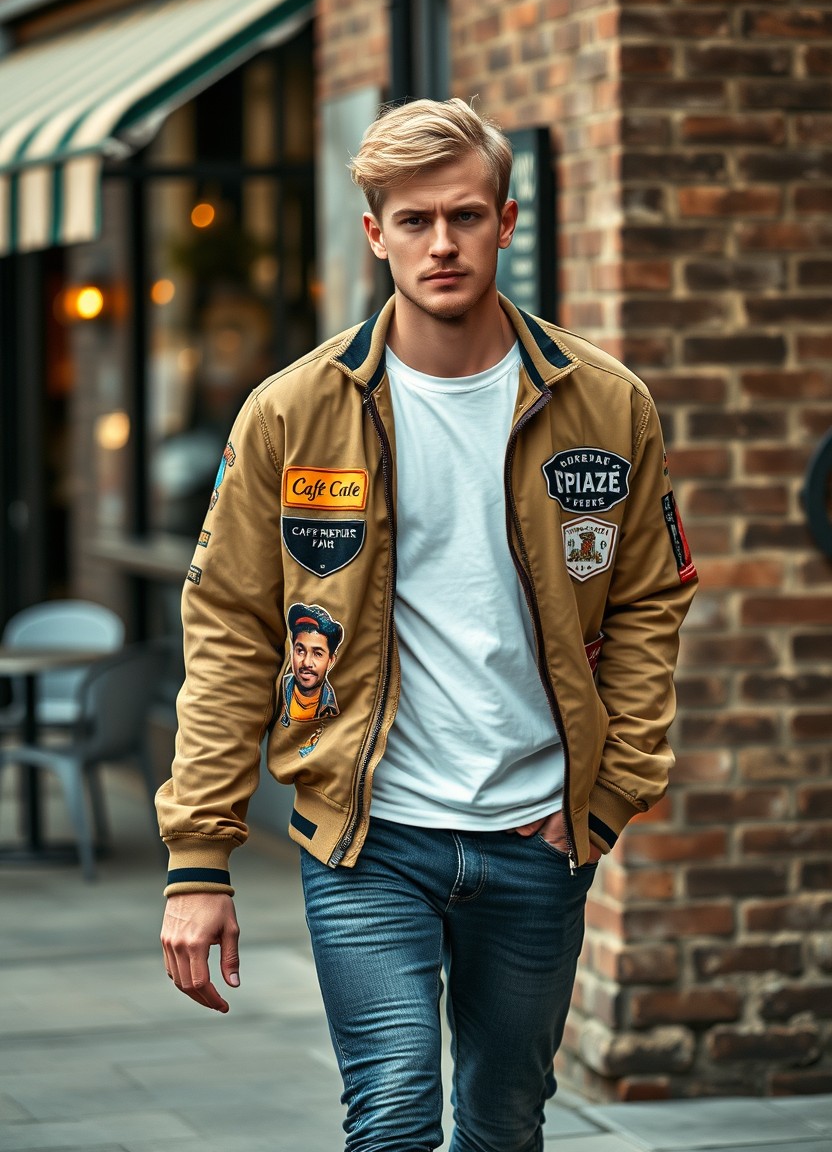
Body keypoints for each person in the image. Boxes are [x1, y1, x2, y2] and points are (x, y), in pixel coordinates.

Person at [158, 98, 698, 1152]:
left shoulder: (605, 402)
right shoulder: (291, 412)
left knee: (502, 1123)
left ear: (505, 219)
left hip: (538, 832)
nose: (440, 243)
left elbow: (646, 601)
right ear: (375, 233)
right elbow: (228, 628)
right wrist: (198, 859)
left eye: (462, 215)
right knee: (395, 1110)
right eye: (413, 220)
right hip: (368, 837)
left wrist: (614, 787)